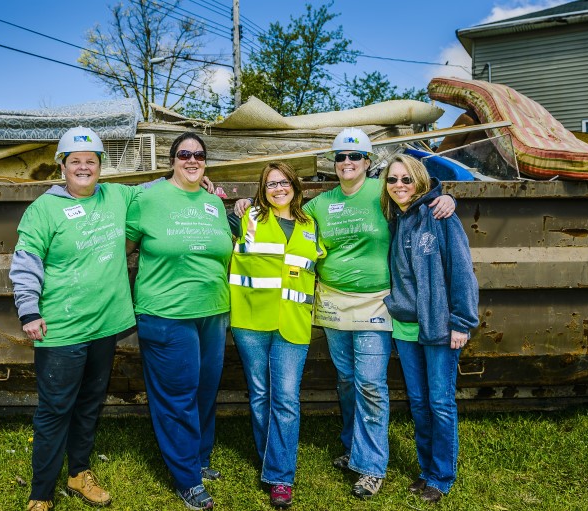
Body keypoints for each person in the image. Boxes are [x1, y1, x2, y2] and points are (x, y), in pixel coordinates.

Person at [234, 127, 455, 499]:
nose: (347, 163)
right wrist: (242, 204)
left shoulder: (382, 193)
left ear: (368, 163)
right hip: (334, 306)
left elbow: (415, 197)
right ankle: (353, 447)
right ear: (333, 164)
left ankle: (370, 467)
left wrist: (446, 200)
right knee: (348, 382)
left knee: (371, 383)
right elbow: (279, 221)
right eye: (340, 157)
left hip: (375, 304)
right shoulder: (319, 206)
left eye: (355, 157)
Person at [9, 127, 137, 511]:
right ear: (62, 166)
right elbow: (26, 261)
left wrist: (210, 187)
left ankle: (78, 473)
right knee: (54, 410)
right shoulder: (43, 209)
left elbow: (163, 191)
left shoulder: (117, 195)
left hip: (105, 326)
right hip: (62, 329)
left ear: (101, 166)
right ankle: (41, 493)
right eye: (75, 161)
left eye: (91, 161)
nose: (84, 167)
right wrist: (29, 309)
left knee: (89, 404)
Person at [126, 132, 233, 511]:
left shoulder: (212, 203)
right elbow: (124, 247)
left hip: (214, 311)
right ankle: (187, 478)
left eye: (199, 155)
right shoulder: (147, 198)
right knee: (178, 396)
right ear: (171, 160)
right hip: (167, 313)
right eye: (184, 154)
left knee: (205, 390)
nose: (192, 160)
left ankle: (200, 459)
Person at [380, 154, 479, 504]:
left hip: (439, 327)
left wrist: (462, 322)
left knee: (440, 403)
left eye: (406, 179)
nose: (399, 186)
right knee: (420, 404)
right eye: (392, 179)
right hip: (406, 328)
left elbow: (462, 270)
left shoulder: (439, 215)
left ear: (420, 180)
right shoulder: (395, 219)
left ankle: (441, 476)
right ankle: (425, 471)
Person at [228, 162, 324, 508]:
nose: (278, 189)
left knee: (285, 398)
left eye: (284, 183)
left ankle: (280, 477)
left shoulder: (311, 225)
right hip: (251, 322)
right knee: (259, 395)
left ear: (295, 187)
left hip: (293, 324)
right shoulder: (247, 218)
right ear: (262, 189)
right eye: (270, 184)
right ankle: (272, 460)